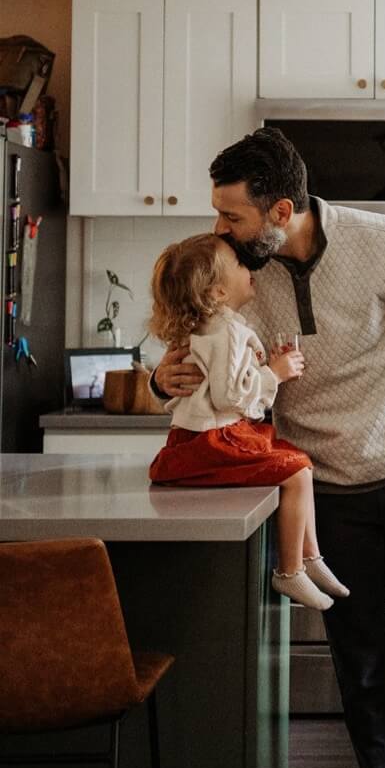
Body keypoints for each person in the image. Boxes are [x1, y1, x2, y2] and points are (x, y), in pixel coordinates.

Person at [152, 128, 385, 768]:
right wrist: (165, 380)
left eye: (232, 216)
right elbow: (197, 367)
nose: (221, 230)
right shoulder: (238, 279)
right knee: (363, 677)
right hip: (325, 497)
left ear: (281, 209)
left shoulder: (384, 243)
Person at [145, 232, 345, 611]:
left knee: (292, 459)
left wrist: (260, 365)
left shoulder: (207, 326)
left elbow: (223, 380)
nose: (249, 267)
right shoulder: (228, 329)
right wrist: (274, 373)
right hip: (215, 438)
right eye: (239, 264)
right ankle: (291, 571)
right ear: (218, 292)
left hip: (193, 436)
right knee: (298, 469)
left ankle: (310, 559)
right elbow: (230, 397)